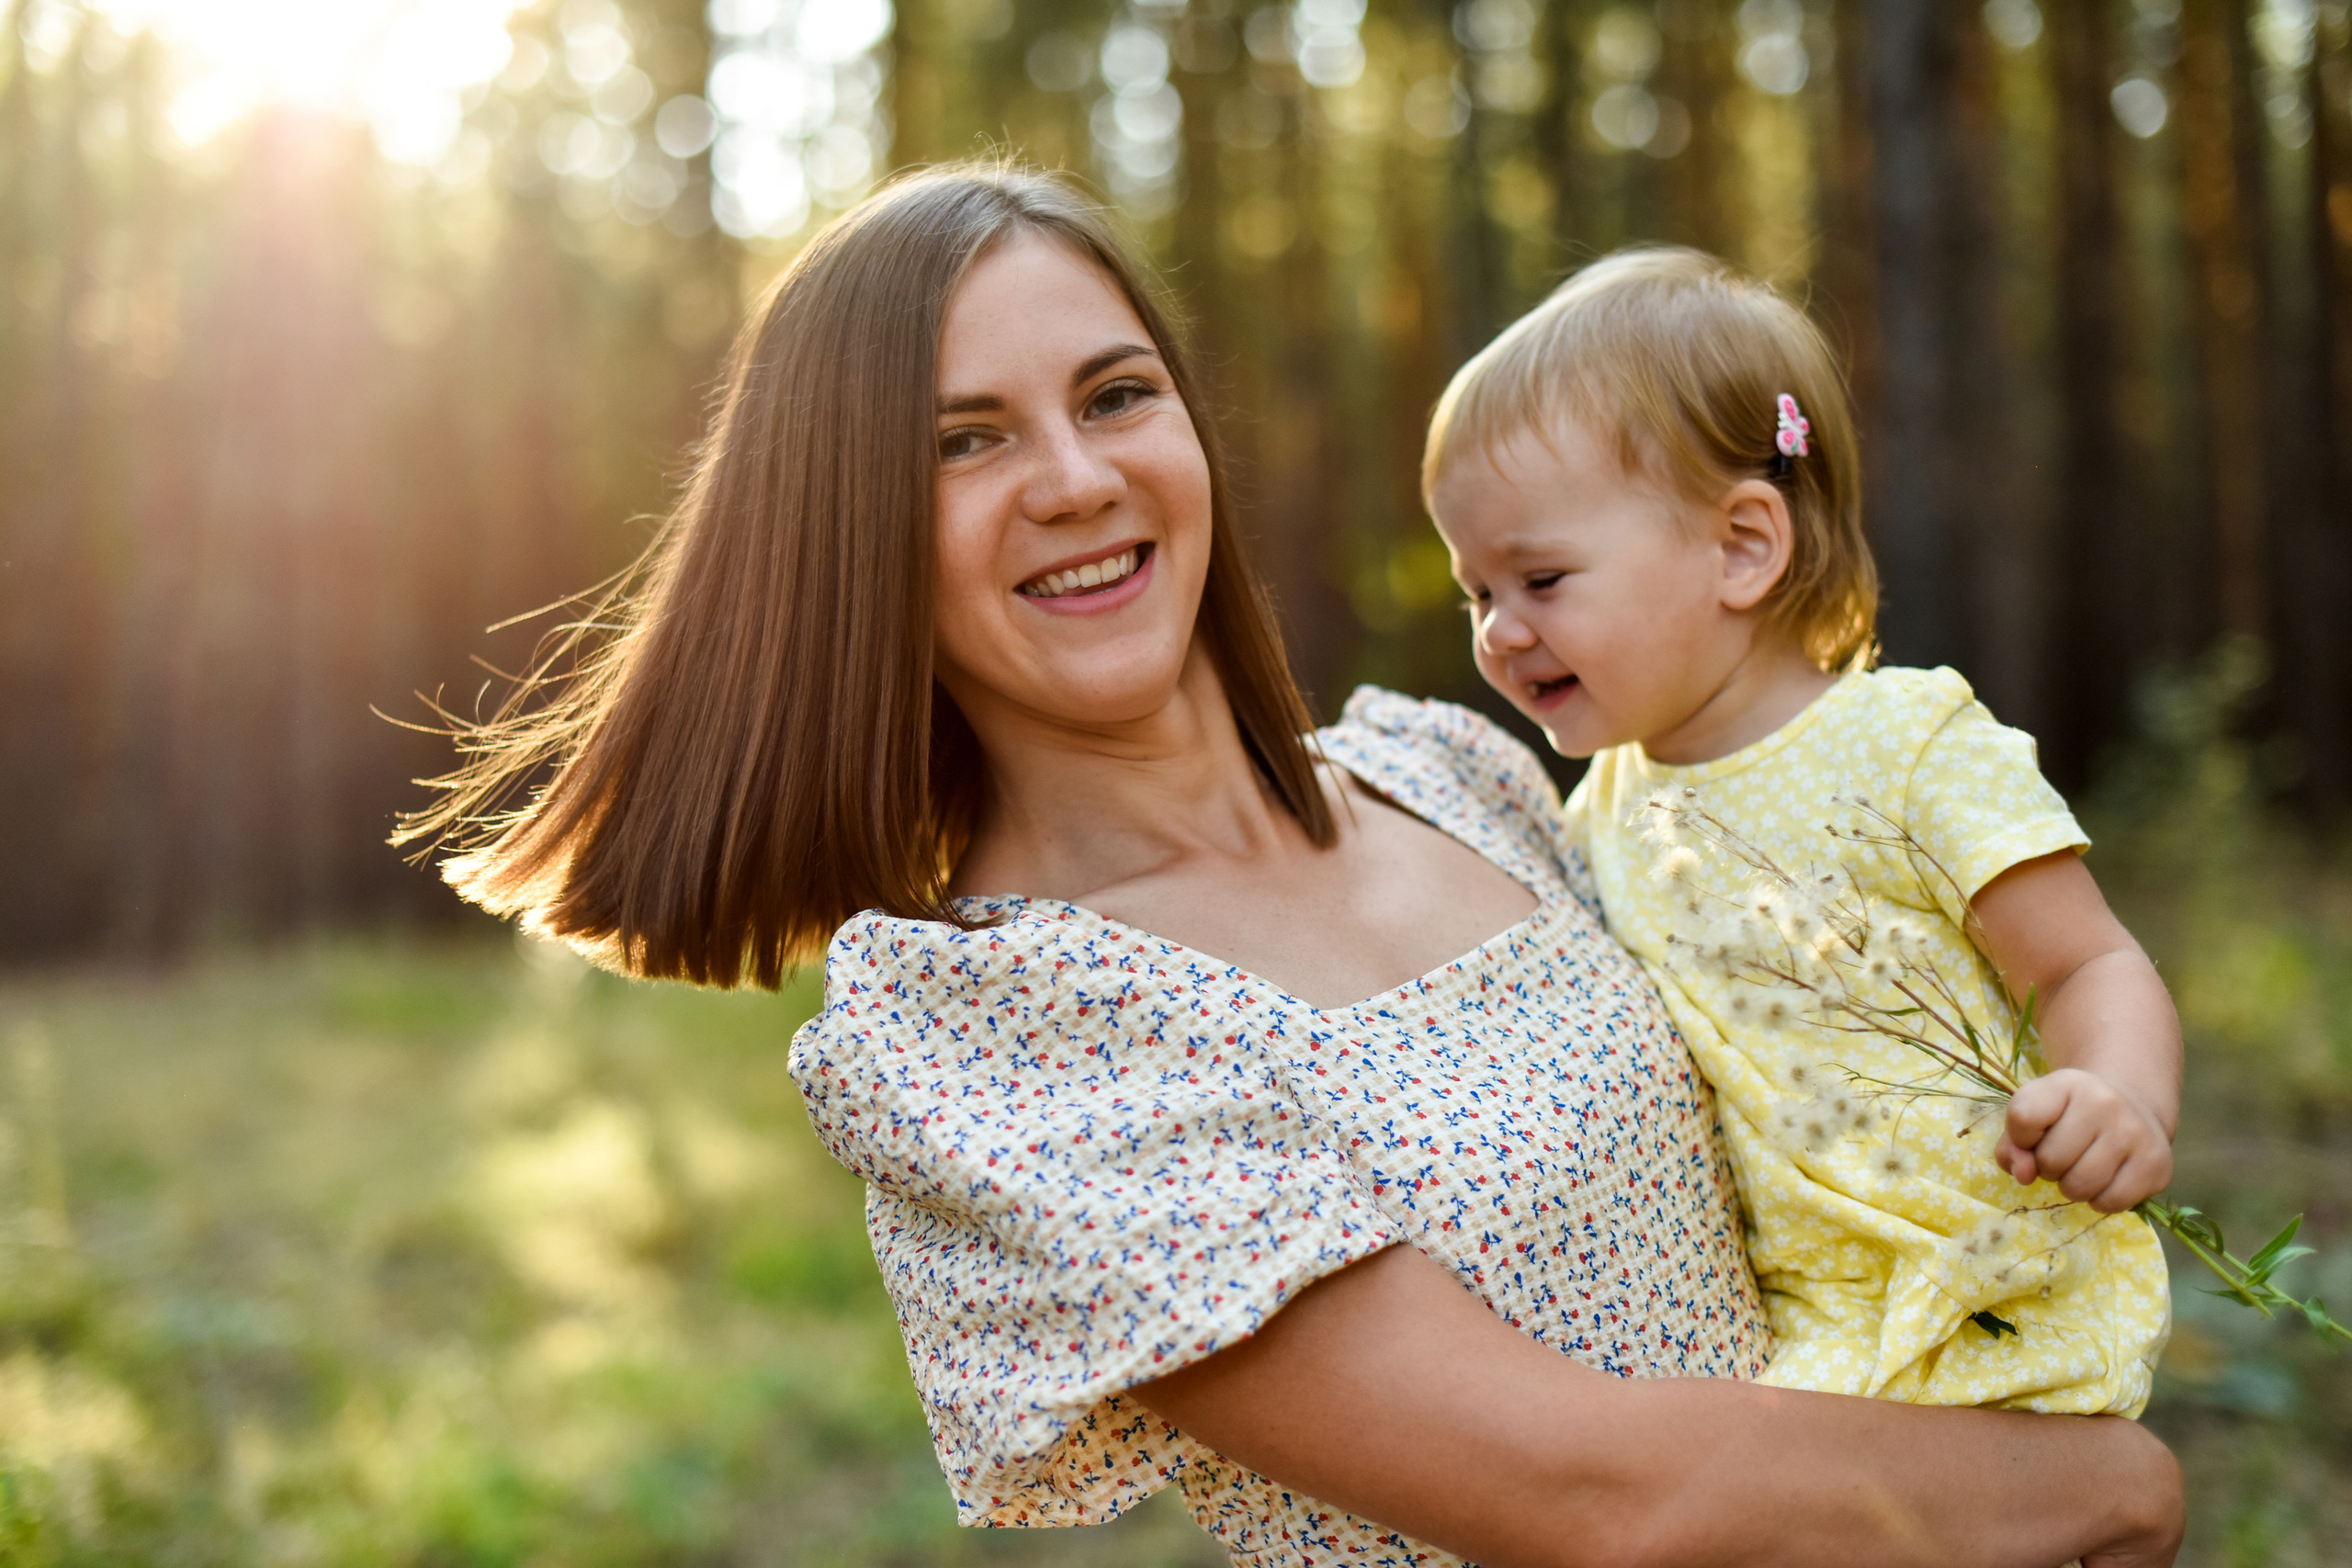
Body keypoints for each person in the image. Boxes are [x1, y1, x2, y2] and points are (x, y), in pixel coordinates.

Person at [400, 164, 2183, 1566]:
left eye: (1116, 394)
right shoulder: (990, 1030)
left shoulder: (1452, 770)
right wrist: (2098, 1485)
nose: (1075, 477)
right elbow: (1586, 1504)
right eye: (964, 439)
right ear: (848, 527)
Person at [1423, 247, 2176, 1416]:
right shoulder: (1596, 818)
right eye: (1475, 593)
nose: (1499, 634)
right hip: (1799, 1338)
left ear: (1741, 546)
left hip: (2000, 1294)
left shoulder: (1901, 744)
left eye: (1542, 579)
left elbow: (2088, 960)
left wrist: (2117, 1093)